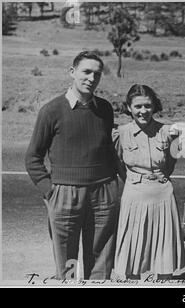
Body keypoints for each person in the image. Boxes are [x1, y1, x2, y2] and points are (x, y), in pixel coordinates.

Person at [25, 51, 119, 279]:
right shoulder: (52, 110)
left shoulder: (105, 109)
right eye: (86, 72)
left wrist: (115, 187)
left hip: (103, 193)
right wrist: (51, 191)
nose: (91, 78)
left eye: (97, 74)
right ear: (72, 72)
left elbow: (106, 150)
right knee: (67, 263)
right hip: (65, 193)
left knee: (101, 262)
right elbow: (33, 157)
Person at [113, 84, 185, 280]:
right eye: (137, 106)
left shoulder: (167, 132)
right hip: (134, 195)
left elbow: (170, 164)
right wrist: (136, 181)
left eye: (147, 106)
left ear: (154, 107)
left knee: (164, 255)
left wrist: (157, 179)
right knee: (132, 254)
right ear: (129, 107)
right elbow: (119, 164)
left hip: (162, 195)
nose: (143, 111)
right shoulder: (121, 133)